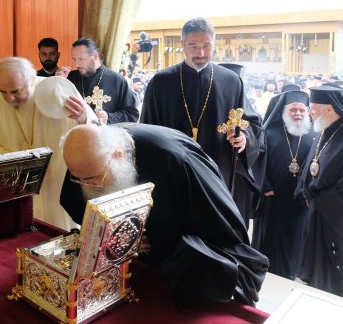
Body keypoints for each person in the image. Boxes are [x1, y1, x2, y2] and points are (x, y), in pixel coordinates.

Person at [60, 123, 268, 309]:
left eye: (93, 179)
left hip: (174, 270)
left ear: (118, 156)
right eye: (78, 179)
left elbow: (220, 229)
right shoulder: (86, 158)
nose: (86, 186)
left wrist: (156, 238)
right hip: (130, 272)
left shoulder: (177, 161)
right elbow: (77, 203)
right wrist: (116, 234)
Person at [140, 17, 263, 225]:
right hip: (173, 171)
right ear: (182, 45)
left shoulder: (231, 81)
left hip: (217, 171)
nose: (201, 53)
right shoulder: (161, 81)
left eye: (207, 46)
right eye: (193, 46)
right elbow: (147, 129)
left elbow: (250, 123)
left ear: (214, 44)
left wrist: (244, 140)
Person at [0, 57, 97, 230]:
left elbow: (94, 131)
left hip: (58, 180)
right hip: (20, 187)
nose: (9, 98)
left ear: (32, 80)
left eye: (16, 91)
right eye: (3, 91)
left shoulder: (57, 91)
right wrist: (21, 163)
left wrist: (83, 118)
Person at [252, 90, 316, 280]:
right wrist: (264, 185)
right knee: (271, 238)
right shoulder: (268, 133)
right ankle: (268, 270)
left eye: (301, 110)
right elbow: (255, 162)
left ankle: (292, 271)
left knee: (297, 237)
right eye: (293, 110)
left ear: (307, 112)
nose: (298, 114)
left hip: (299, 199)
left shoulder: (313, 135)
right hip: (274, 197)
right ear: (283, 112)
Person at [295, 85, 343, 296]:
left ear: (330, 109)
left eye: (313, 108)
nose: (310, 112)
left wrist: (321, 198)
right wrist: (306, 191)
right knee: (317, 265)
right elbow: (311, 166)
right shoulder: (326, 129)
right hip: (317, 210)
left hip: (334, 213)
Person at [67, 37, 139, 124]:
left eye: (80, 59)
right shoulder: (70, 78)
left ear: (95, 56)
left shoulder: (117, 80)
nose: (77, 64)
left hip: (105, 135)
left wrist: (109, 117)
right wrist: (58, 81)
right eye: (74, 59)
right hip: (75, 134)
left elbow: (132, 115)